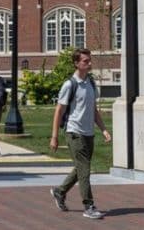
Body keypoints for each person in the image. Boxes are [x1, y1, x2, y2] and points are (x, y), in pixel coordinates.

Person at [49, 48, 111, 220]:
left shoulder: (91, 83)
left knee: (80, 169)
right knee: (85, 171)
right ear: (76, 63)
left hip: (89, 133)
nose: (89, 63)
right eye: (85, 61)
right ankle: (89, 206)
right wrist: (54, 137)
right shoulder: (70, 84)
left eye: (89, 60)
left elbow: (93, 111)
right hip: (74, 132)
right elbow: (59, 111)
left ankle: (59, 192)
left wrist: (104, 129)